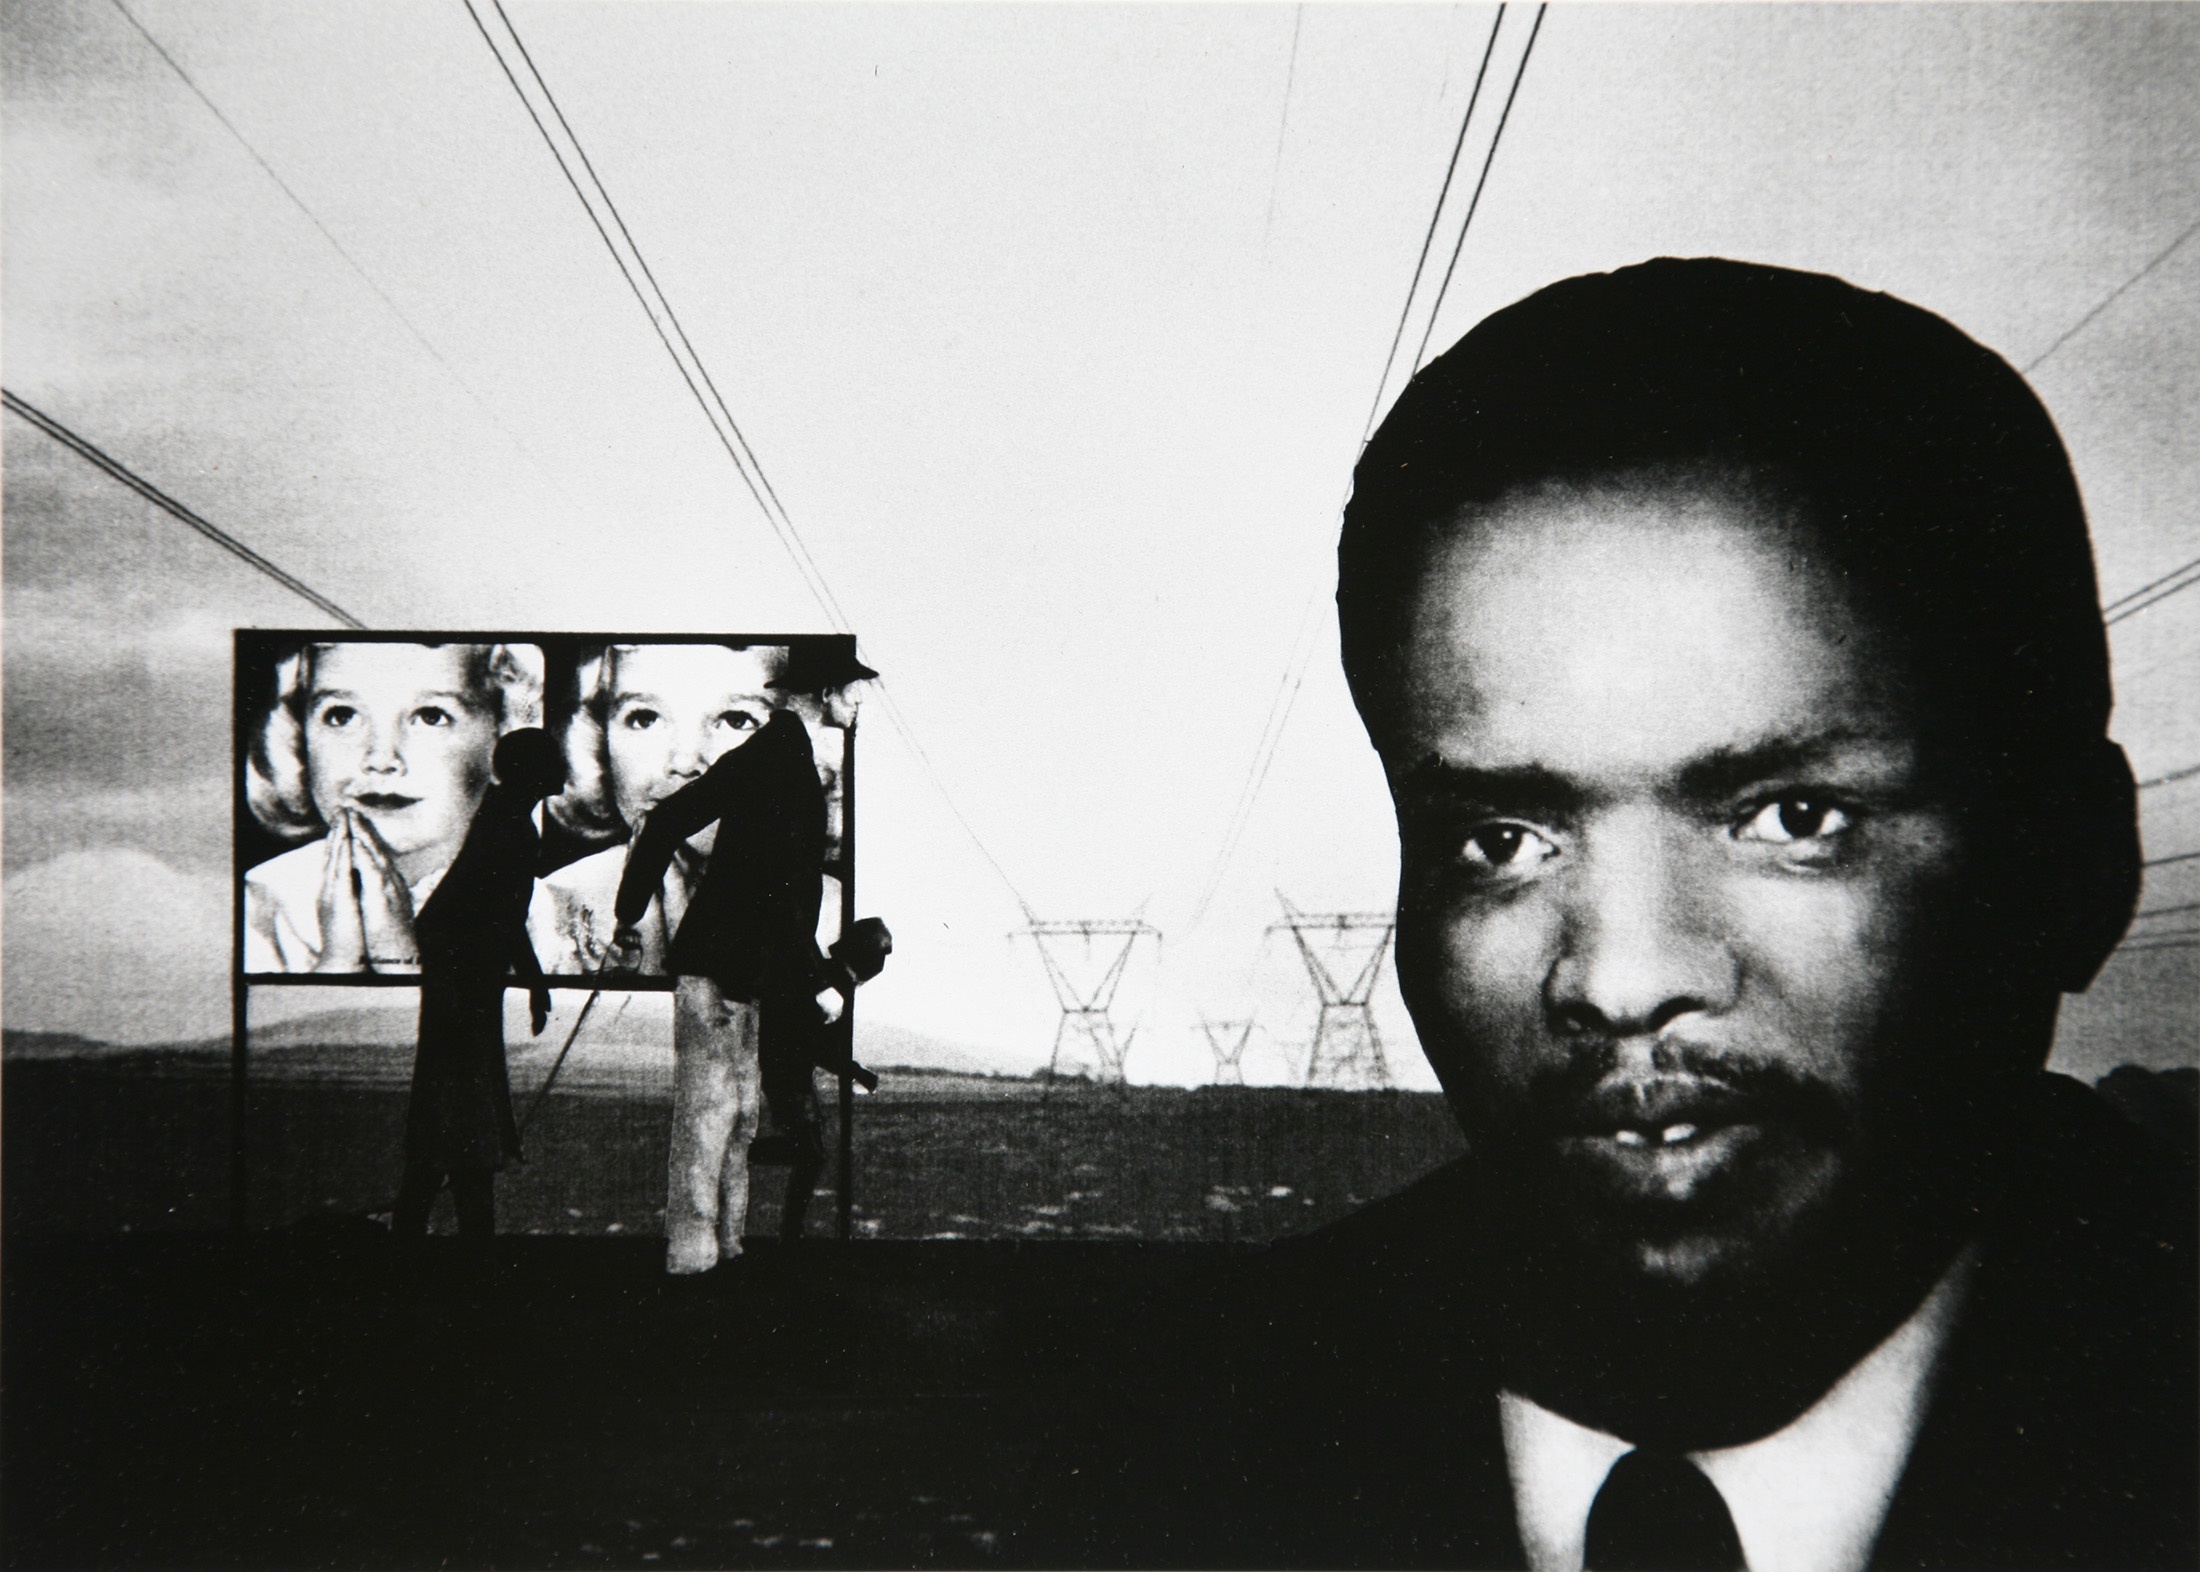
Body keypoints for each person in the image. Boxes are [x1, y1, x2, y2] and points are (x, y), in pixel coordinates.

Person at [1026, 259, 2194, 1569]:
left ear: (2075, 866)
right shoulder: (1171, 1442)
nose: (1619, 977)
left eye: (1792, 818)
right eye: (1501, 842)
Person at [606, 645, 883, 1274]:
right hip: (724, 969)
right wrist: (814, 980)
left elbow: (668, 822)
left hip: (737, 970)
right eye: (853, 691)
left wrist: (627, 911)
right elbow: (773, 886)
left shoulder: (775, 754)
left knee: (733, 1113)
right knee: (712, 1113)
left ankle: (720, 1244)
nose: (859, 704)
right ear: (827, 693)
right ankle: (692, 1253)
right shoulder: (779, 759)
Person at [242, 641, 544, 973]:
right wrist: (339, 961)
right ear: (299, 736)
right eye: (342, 716)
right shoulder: (258, 907)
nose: (381, 759)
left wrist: (397, 960)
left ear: (504, 737)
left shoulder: (547, 914)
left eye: (431, 716)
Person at [390, 728, 565, 1254]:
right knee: (466, 1108)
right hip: (465, 986)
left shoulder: (502, 819)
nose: (563, 767)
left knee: (451, 1109)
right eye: (552, 760)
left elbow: (496, 914)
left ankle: (421, 1235)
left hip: (461, 980)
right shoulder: (511, 828)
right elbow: (503, 915)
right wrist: (534, 980)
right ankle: (468, 1247)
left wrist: (529, 978)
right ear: (533, 772)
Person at [527, 643, 786, 977]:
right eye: (645, 718)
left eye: (737, 720)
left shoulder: (829, 914)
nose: (684, 762)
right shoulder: (553, 905)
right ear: (601, 736)